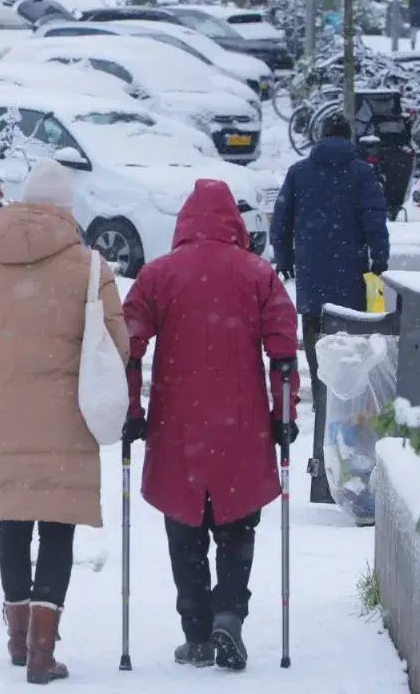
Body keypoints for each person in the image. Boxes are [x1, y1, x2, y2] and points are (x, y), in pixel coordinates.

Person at [0, 158, 129, 685]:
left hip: (2, 416)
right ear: (68, 213)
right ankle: (41, 653)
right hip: (66, 418)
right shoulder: (91, 268)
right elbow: (117, 345)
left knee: (13, 523)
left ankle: (16, 635)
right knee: (56, 529)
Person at [122, 179, 300, 672]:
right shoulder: (258, 274)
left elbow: (127, 349)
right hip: (240, 426)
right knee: (238, 526)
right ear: (235, 225)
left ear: (184, 221)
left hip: (176, 424)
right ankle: (229, 614)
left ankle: (197, 630)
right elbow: (283, 351)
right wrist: (284, 417)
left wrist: (131, 412)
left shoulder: (158, 275)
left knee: (184, 526)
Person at [270, 113, 388, 501]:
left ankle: (322, 398)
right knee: (350, 350)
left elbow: (282, 220)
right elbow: (374, 217)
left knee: (317, 346)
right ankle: (344, 408)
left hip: (313, 278)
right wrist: (378, 258)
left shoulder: (300, 173)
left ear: (321, 137)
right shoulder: (361, 173)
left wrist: (285, 255)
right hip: (349, 279)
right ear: (348, 138)